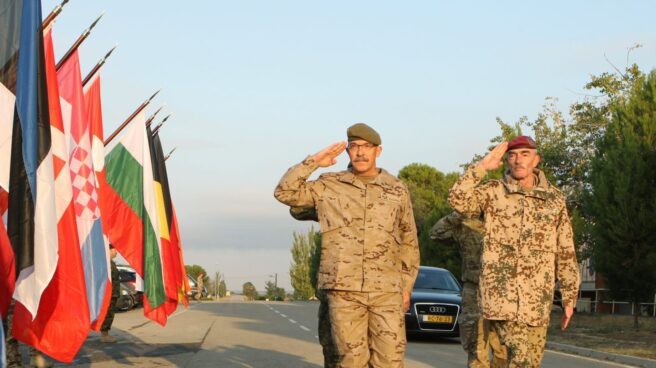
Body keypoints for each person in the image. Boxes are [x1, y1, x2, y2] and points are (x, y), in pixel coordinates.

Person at [274, 123, 420, 367]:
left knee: (391, 360)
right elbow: (284, 193)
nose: (360, 152)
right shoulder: (330, 184)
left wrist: (406, 286)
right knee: (351, 360)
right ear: (347, 151)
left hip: (386, 290)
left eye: (366, 147)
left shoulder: (396, 189)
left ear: (378, 151)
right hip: (344, 289)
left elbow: (409, 240)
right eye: (354, 147)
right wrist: (314, 161)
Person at [448, 136, 580, 367]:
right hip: (501, 298)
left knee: (531, 362)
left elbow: (565, 249)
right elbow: (457, 200)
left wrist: (569, 296)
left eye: (525, 154)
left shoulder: (554, 199)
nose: (518, 160)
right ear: (507, 160)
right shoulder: (493, 192)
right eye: (513, 155)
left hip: (537, 301)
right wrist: (481, 167)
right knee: (522, 360)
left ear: (536, 160)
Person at [431, 212, 507, 368]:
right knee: (476, 346)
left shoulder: (508, 220)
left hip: (503, 291)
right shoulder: (466, 225)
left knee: (503, 347)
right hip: (474, 289)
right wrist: (459, 213)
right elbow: (436, 234)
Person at [289, 206, 340, 368]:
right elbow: (296, 208)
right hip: (333, 288)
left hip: (371, 291)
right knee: (331, 344)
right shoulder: (333, 204)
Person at [100, 244, 120, 343]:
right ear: (109, 250)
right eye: (114, 250)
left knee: (110, 313)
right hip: (109, 294)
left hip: (113, 293)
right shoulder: (107, 264)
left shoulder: (111, 263)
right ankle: (105, 335)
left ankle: (105, 333)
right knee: (108, 314)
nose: (116, 252)